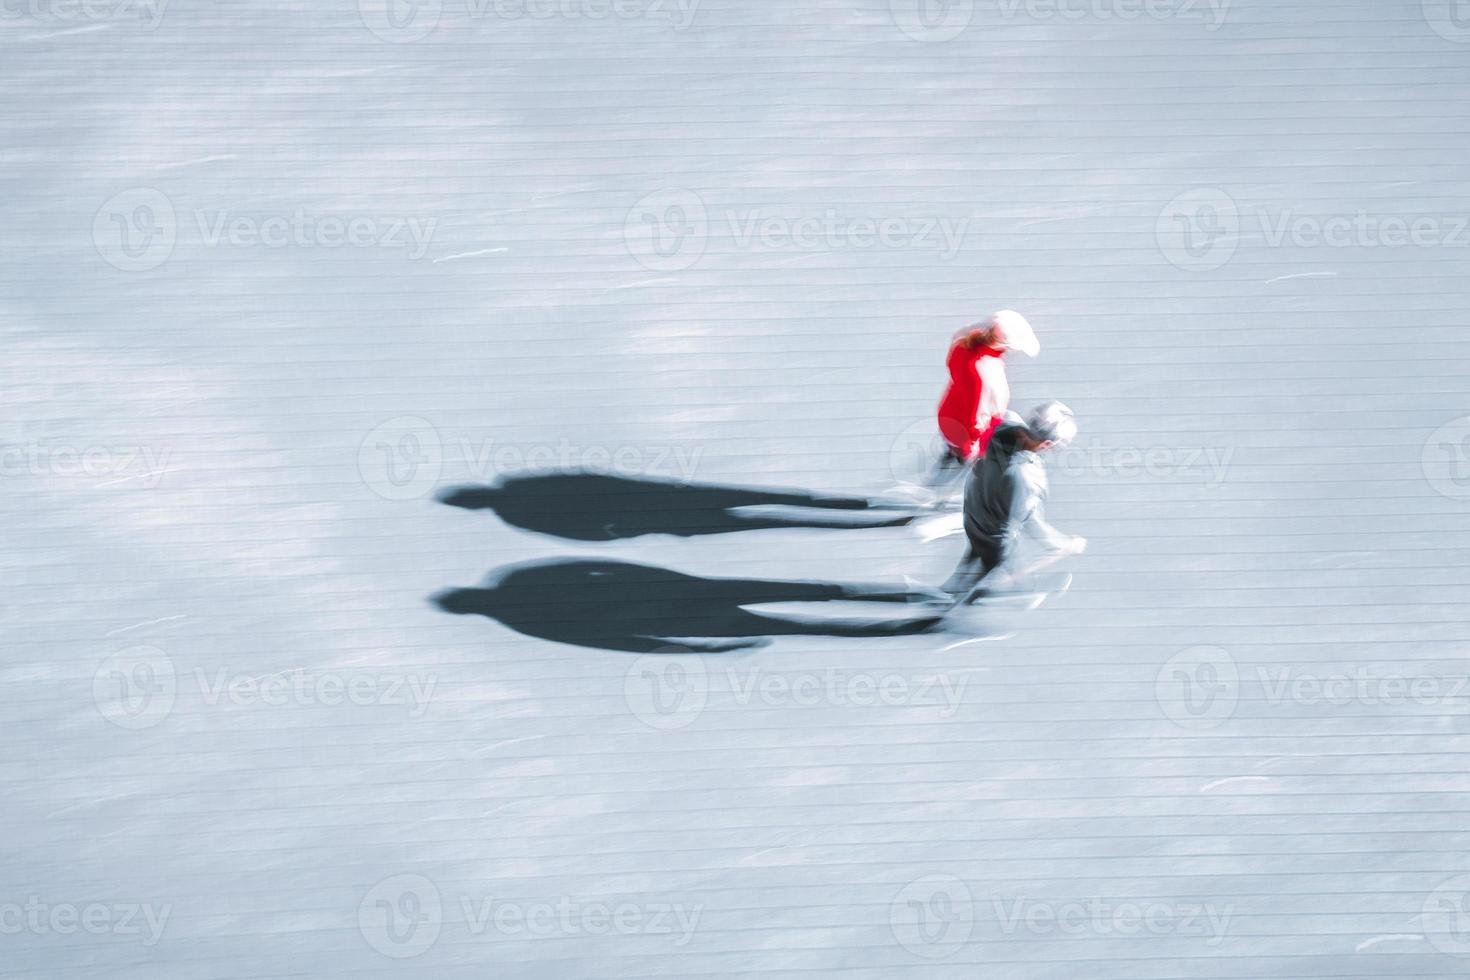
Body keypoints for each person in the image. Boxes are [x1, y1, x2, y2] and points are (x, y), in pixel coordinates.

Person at [941, 400, 1086, 603]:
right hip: (993, 535)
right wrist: (1065, 543)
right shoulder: (1026, 477)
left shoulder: (1004, 423)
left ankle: (953, 589)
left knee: (974, 555)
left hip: (974, 511)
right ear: (1048, 444)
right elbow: (1032, 524)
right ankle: (953, 606)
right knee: (993, 562)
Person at [933, 310, 1041, 483]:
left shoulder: (964, 345)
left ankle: (946, 465)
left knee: (953, 454)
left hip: (950, 415)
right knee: (969, 470)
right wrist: (973, 451)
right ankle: (943, 490)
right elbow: (974, 417)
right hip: (966, 435)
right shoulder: (984, 372)